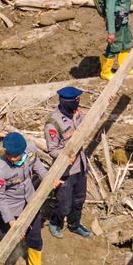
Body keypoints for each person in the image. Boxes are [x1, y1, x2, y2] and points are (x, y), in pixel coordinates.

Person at [0, 132, 53, 265]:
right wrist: (11, 221)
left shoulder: (30, 149)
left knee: (36, 239)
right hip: (10, 210)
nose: (11, 158)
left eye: (15, 155)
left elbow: (37, 164)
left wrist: (49, 179)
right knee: (3, 246)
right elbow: (0, 198)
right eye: (8, 154)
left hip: (30, 204)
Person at [45, 86, 93, 239]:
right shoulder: (53, 124)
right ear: (65, 102)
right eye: (75, 100)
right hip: (65, 171)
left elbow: (89, 122)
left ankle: (74, 224)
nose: (77, 103)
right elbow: (52, 150)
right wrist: (65, 155)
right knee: (64, 204)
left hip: (80, 166)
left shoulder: (77, 114)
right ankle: (55, 222)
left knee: (79, 199)